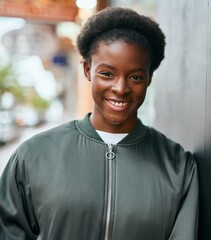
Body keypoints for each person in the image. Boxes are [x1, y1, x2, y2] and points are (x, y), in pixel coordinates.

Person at [0, 7, 198, 240]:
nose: (121, 88)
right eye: (107, 73)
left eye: (136, 77)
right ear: (87, 70)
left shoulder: (177, 166)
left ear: (149, 79)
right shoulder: (33, 155)